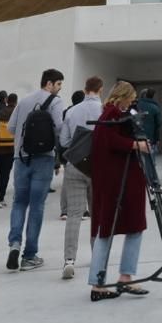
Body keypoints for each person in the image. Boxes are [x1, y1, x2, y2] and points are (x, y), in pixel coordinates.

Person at [86, 81, 153, 301]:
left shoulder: (109, 113)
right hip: (120, 182)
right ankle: (115, 280)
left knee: (111, 229)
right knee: (126, 227)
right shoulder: (112, 114)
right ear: (123, 96)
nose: (132, 102)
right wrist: (137, 145)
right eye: (131, 98)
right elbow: (111, 140)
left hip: (115, 182)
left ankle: (107, 281)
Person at [5, 68, 66, 272]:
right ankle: (29, 255)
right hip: (44, 159)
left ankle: (14, 244)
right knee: (37, 205)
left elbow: (11, 128)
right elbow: (60, 128)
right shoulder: (56, 102)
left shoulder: (23, 101)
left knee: (19, 202)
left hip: (21, 158)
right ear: (49, 83)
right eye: (58, 84)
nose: (59, 89)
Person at [60, 76, 103, 280]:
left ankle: (69, 260)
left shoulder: (71, 111)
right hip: (97, 166)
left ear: (85, 90)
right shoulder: (103, 110)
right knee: (97, 214)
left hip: (75, 164)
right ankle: (98, 255)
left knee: (74, 215)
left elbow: (64, 140)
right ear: (100, 90)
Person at [0, 93, 18, 207]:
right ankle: (1, 197)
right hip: (10, 148)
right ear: (16, 102)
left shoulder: (0, 113)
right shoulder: (16, 113)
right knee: (6, 173)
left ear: (7, 100)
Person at [135, 88, 162, 186]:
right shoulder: (154, 107)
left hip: (135, 138)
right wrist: (157, 139)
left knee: (136, 161)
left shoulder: (135, 106)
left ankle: (139, 180)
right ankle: (151, 180)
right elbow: (158, 124)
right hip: (149, 138)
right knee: (150, 161)